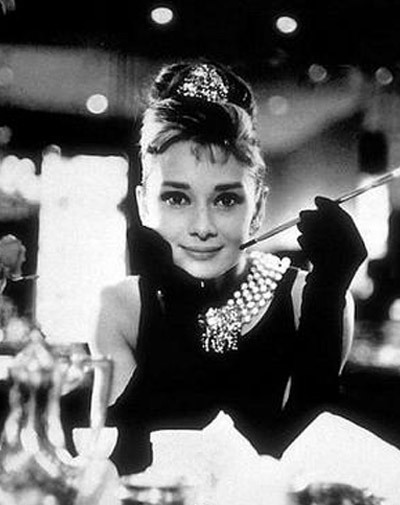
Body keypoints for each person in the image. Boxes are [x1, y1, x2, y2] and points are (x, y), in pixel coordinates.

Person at [91, 60, 367, 474]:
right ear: (144, 204)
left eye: (226, 200)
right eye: (177, 198)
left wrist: (326, 297)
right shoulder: (121, 307)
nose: (202, 227)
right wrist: (175, 304)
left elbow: (306, 459)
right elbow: (130, 455)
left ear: (258, 209)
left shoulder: (306, 298)